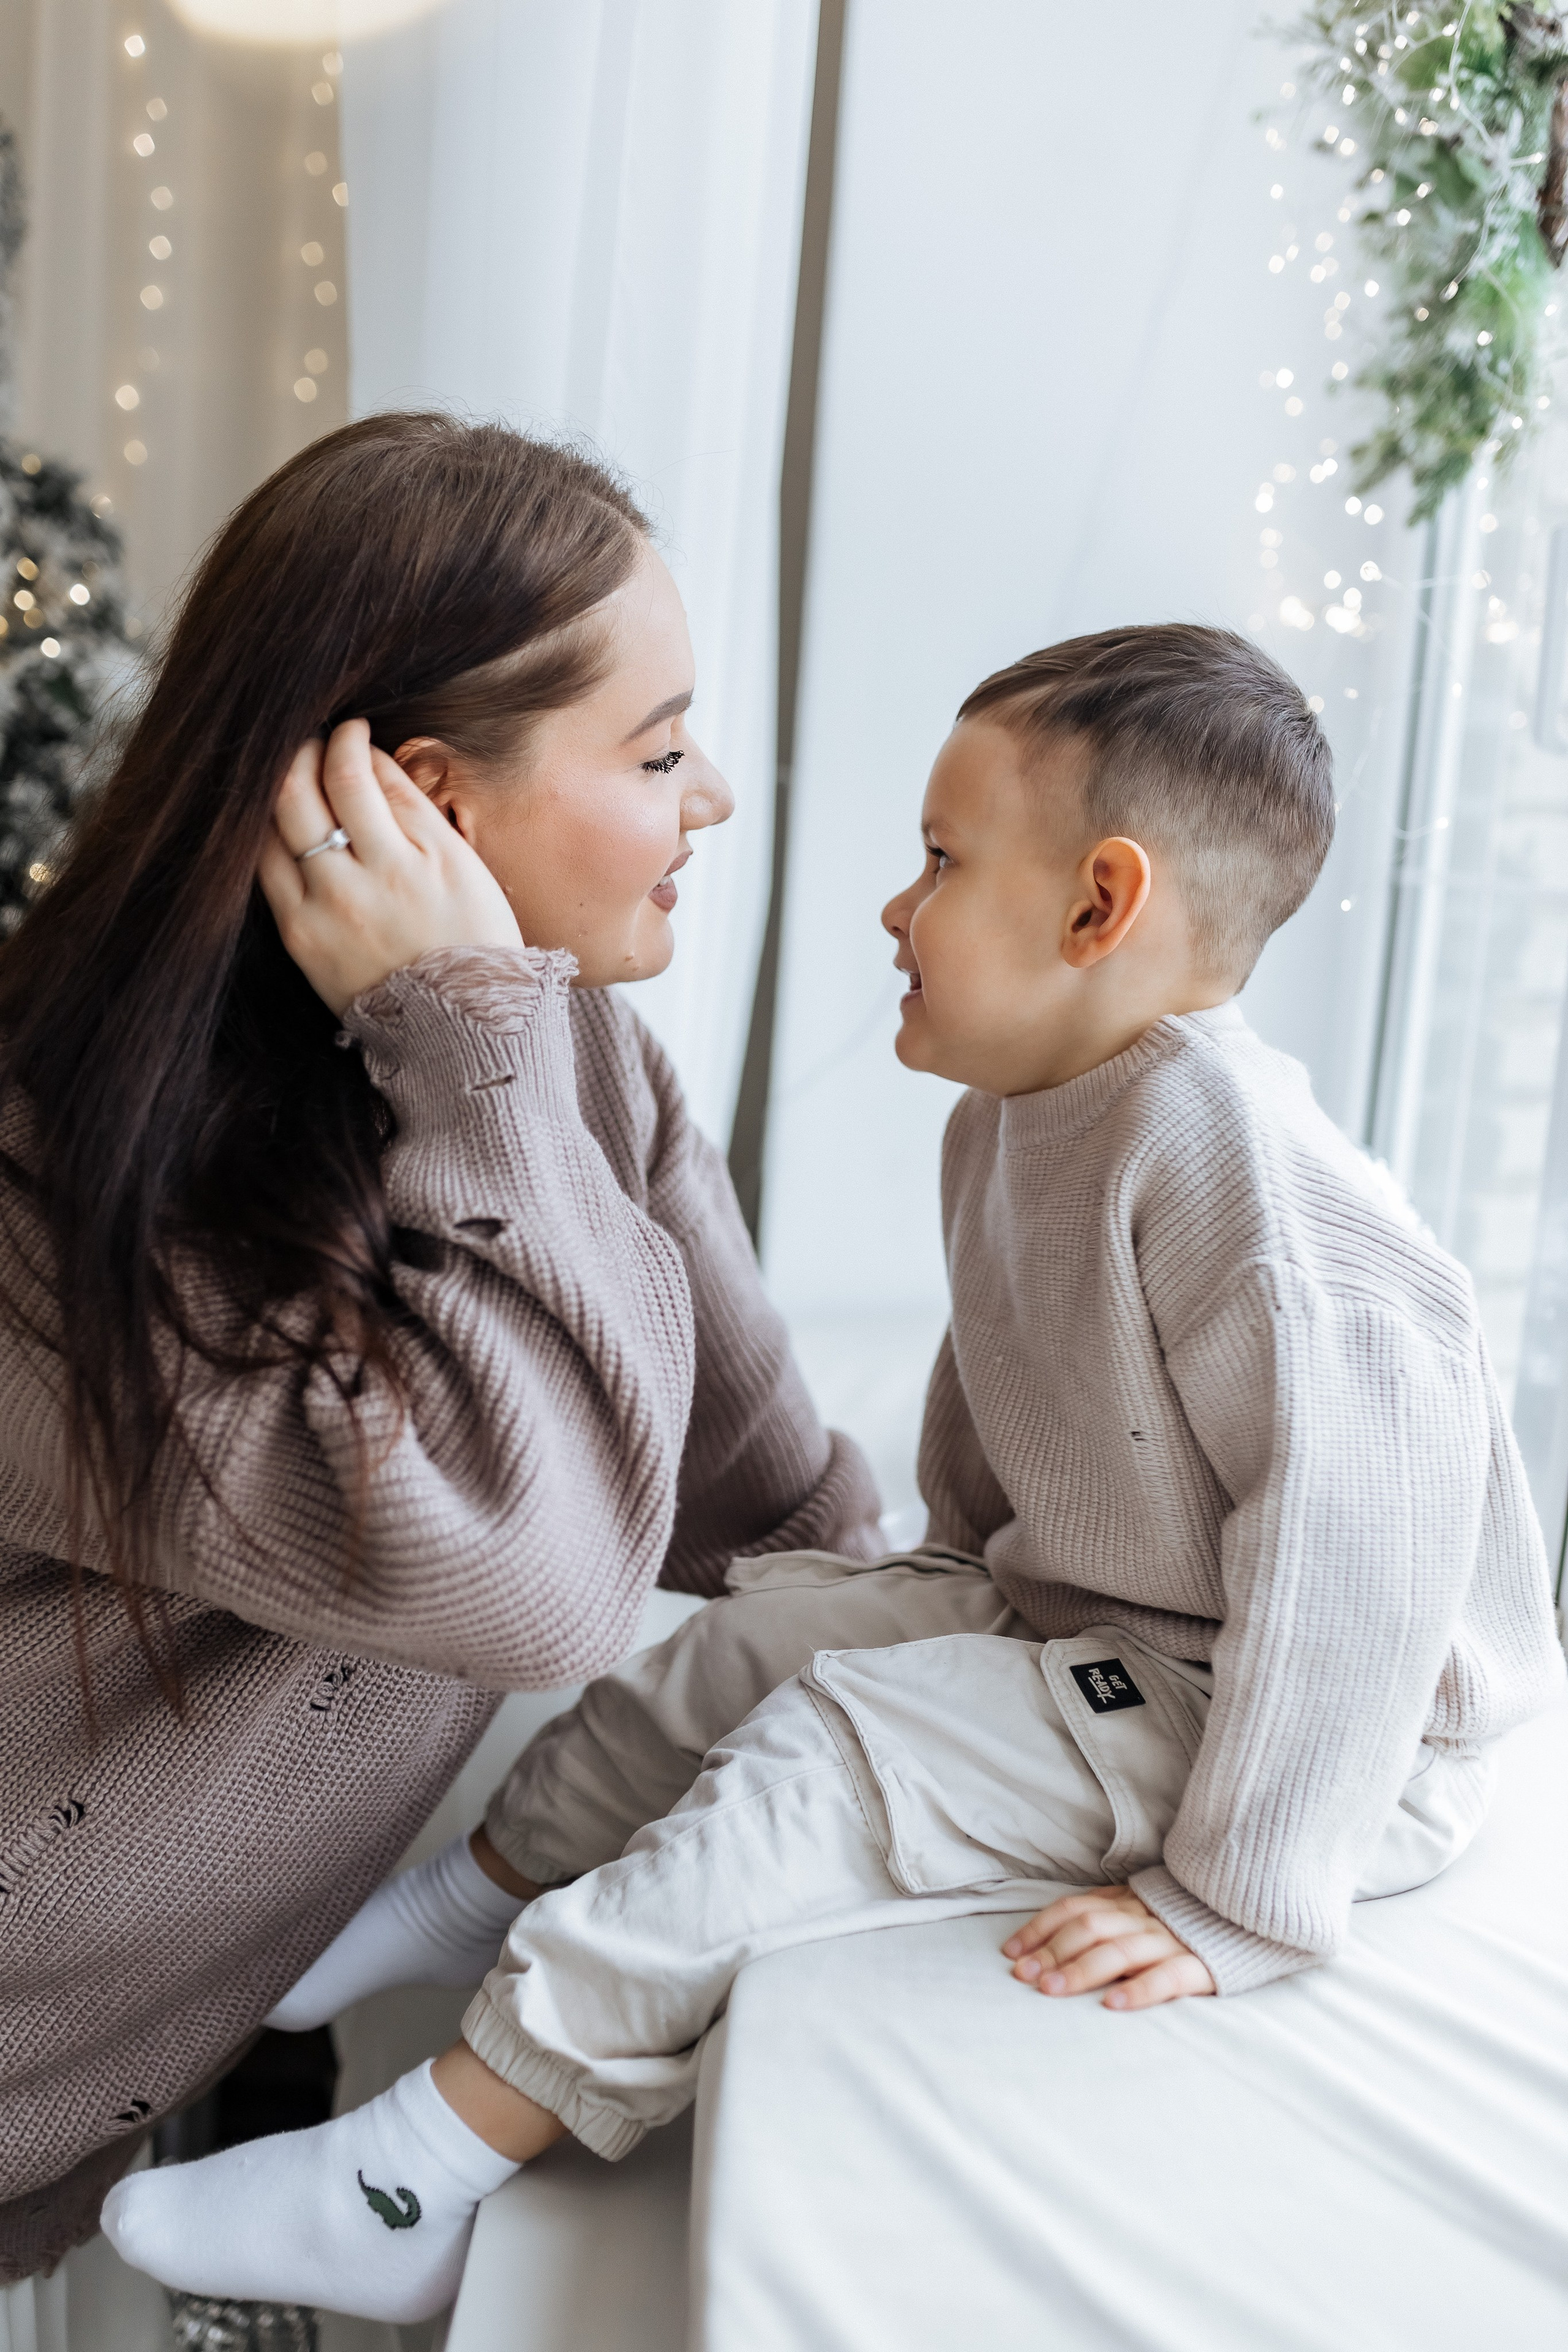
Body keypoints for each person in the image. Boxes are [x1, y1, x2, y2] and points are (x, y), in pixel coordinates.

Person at [103, 625, 1564, 2326]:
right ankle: (460, 1900)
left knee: (825, 1757)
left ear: (1101, 907)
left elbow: (1361, 1562)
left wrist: (1236, 1895)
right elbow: (1019, 1377)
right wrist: (945, 1577)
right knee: (741, 1650)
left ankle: (409, 2174)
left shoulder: (1252, 1186)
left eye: (942, 863)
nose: (896, 908)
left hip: (1296, 1721)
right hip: (1098, 1617)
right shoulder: (1014, 1113)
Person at [0, 413, 880, 2285]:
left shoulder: (560, 1076)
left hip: (102, 2095)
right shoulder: (49, 1170)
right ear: (426, 804)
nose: (709, 796)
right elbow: (537, 1584)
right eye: (655, 751)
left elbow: (784, 1517)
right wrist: (464, 1030)